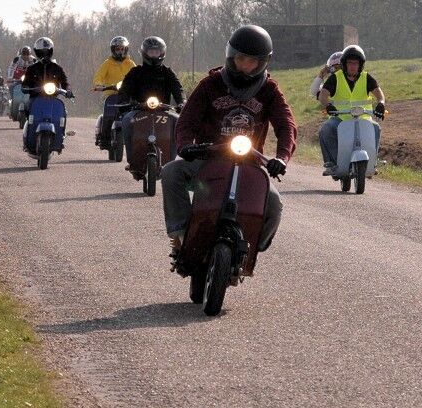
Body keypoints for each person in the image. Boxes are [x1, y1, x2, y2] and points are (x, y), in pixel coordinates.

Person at [161, 25, 296, 253]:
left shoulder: (269, 90)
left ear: (263, 62)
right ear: (231, 56)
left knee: (274, 205)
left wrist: (282, 158)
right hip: (207, 160)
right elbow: (187, 120)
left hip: (250, 165)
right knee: (170, 172)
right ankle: (181, 233)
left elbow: (287, 125)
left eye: (252, 61)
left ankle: (251, 249)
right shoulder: (210, 85)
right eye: (241, 59)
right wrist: (185, 146)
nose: (245, 66)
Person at [317, 44, 386, 175]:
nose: (353, 66)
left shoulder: (366, 77)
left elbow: (379, 94)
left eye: (356, 63)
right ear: (344, 64)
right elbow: (323, 95)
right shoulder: (335, 78)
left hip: (363, 118)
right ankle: (332, 162)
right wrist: (328, 105)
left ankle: (373, 161)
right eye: (350, 63)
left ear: (360, 65)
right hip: (340, 118)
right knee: (326, 129)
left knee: (376, 128)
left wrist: (381, 103)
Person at [116, 36, 185, 168]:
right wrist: (124, 102)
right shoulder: (135, 72)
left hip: (163, 110)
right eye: (151, 52)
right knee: (126, 120)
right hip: (138, 110)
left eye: (156, 52)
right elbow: (124, 90)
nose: (154, 55)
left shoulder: (167, 72)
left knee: (177, 121)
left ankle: (171, 162)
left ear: (162, 53)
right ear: (144, 53)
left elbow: (178, 89)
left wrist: (182, 102)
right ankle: (132, 161)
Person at [92, 36, 137, 145]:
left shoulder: (130, 64)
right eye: (117, 49)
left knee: (135, 115)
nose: (120, 51)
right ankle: (105, 137)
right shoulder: (107, 63)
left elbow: (138, 76)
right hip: (111, 94)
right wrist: (99, 84)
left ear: (126, 50)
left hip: (127, 95)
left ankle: (136, 137)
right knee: (109, 115)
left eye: (122, 49)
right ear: (113, 50)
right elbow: (99, 76)